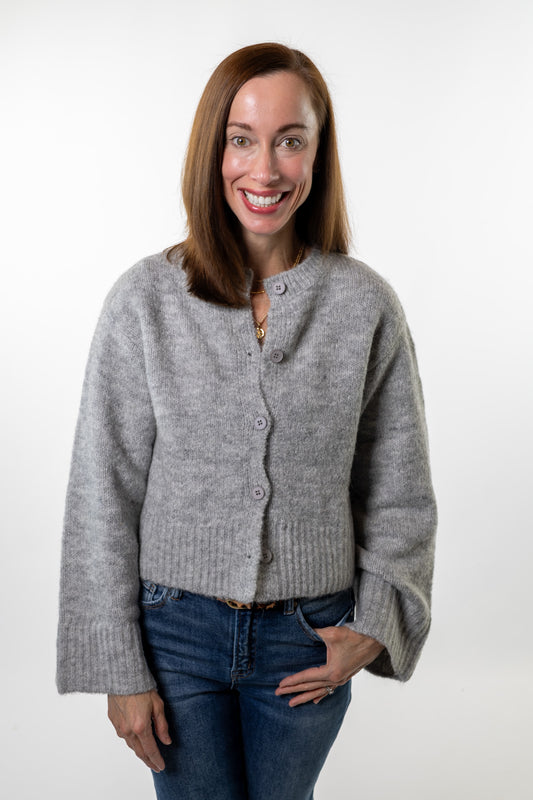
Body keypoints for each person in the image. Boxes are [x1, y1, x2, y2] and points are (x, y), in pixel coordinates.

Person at [57, 42, 437, 800]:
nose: (264, 170)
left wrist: (374, 623)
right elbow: (103, 493)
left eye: (289, 141)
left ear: (317, 156)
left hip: (308, 642)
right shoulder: (144, 301)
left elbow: (399, 489)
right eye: (242, 140)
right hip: (174, 636)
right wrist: (117, 667)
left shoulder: (365, 307)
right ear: (213, 150)